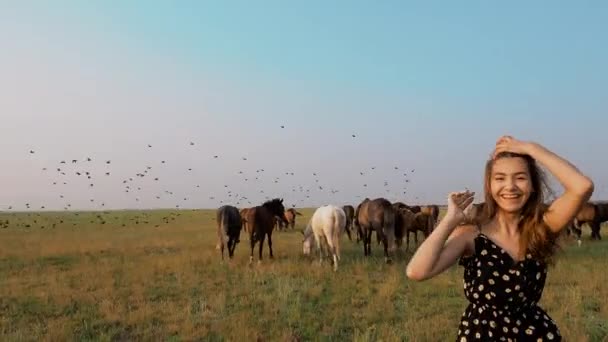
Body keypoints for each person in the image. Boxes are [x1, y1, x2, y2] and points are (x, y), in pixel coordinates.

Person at [406, 136, 594, 341]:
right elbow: (417, 271)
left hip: (534, 334)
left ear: (532, 185)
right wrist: (450, 220)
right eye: (500, 178)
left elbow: (582, 186)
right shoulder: (471, 235)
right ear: (489, 186)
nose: (510, 186)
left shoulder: (542, 227)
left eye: (520, 177)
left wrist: (531, 149)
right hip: (482, 334)